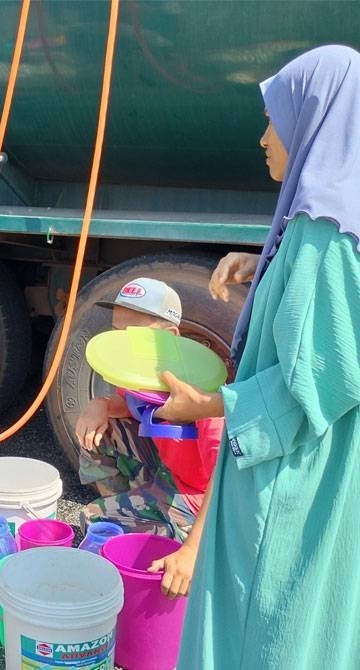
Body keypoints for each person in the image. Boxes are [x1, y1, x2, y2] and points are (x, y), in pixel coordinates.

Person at [153, 45, 360, 667]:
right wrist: (264, 266)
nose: (264, 137)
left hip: (292, 476)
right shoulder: (328, 219)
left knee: (265, 626)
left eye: (275, 120)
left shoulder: (323, 234)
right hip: (318, 467)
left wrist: (207, 405)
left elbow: (321, 378)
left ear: (314, 121)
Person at [75, 277, 224, 546]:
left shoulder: (202, 391)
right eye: (117, 332)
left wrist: (192, 550)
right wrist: (99, 404)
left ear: (171, 336)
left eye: (133, 333)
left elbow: (225, 477)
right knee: (100, 430)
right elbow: (127, 406)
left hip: (198, 502)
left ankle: (168, 536)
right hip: (167, 474)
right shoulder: (142, 373)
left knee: (97, 524)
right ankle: (129, 509)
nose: (123, 343)